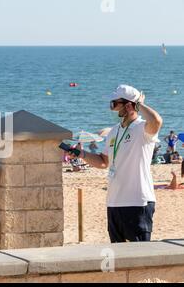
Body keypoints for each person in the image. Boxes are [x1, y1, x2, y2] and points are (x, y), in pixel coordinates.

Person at [68, 85, 162, 243]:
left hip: (137, 202)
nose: (112, 109)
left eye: (114, 104)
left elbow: (157, 121)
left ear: (129, 105)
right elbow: (103, 162)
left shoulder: (142, 128)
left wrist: (139, 104)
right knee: (118, 259)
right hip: (114, 202)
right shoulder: (114, 131)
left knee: (139, 258)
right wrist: (81, 154)